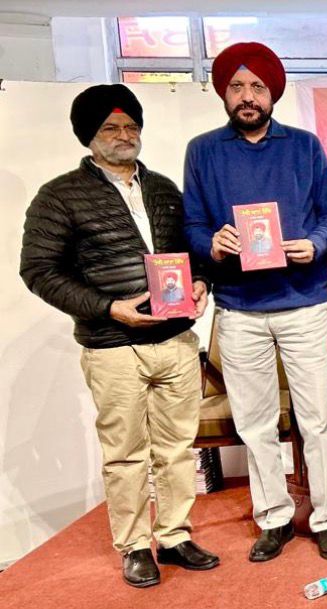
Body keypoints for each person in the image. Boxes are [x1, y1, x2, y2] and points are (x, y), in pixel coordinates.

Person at [20, 84, 218, 588]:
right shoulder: (59, 196)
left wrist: (201, 281)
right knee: (126, 454)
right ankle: (134, 546)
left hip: (175, 342)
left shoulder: (164, 189)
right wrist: (109, 308)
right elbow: (39, 271)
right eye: (111, 127)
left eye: (131, 126)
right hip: (113, 347)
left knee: (177, 449)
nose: (124, 135)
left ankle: (173, 536)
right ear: (89, 136)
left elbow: (192, 251)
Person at [182, 42, 327, 562]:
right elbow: (192, 224)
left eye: (257, 86)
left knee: (316, 418)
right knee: (254, 423)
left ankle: (326, 518)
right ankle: (273, 518)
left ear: (273, 93)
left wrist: (315, 245)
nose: (247, 96)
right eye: (237, 87)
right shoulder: (203, 151)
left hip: (303, 304)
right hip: (238, 308)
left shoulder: (303, 146)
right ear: (224, 93)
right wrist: (212, 244)